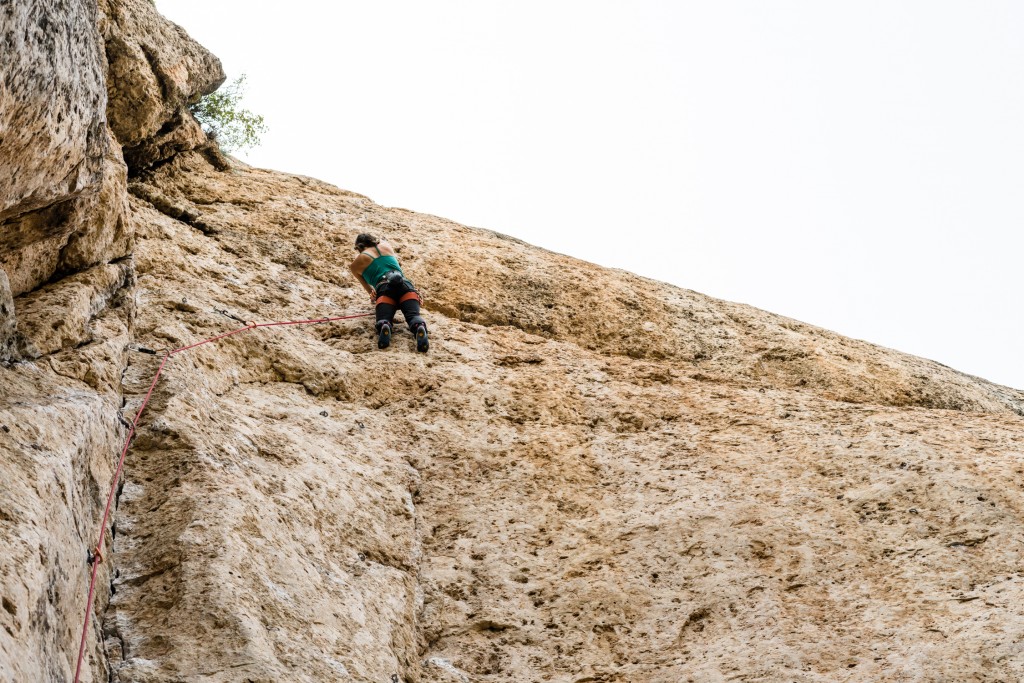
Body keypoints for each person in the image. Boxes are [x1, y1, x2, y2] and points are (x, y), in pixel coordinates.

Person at [349, 233, 429, 352]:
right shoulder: (386, 246)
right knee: (413, 316)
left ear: (359, 248)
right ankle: (419, 327)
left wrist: (374, 297)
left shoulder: (355, 265)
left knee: (383, 318)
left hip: (384, 288)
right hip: (405, 285)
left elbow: (371, 293)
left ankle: (385, 325)